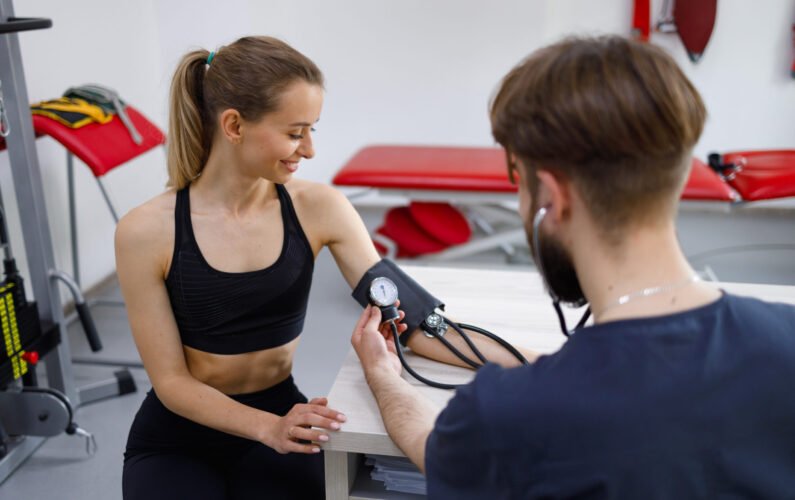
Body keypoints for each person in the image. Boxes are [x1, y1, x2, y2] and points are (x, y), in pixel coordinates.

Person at [351, 35, 795, 499]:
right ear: (681, 173)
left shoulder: (510, 413)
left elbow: (434, 451)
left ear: (553, 198)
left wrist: (383, 378)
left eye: (518, 183)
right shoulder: (786, 337)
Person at [117, 36, 523, 500]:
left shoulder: (320, 208)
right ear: (233, 125)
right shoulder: (146, 231)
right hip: (179, 438)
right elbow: (171, 383)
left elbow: (416, 325)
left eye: (313, 130)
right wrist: (268, 428)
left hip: (282, 415)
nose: (308, 150)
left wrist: (545, 364)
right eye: (295, 132)